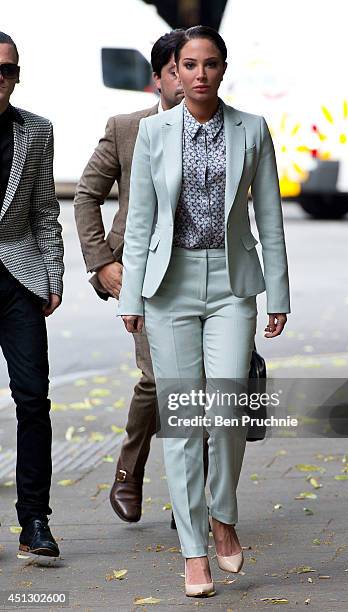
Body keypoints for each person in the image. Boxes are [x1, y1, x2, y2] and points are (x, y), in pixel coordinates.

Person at [119, 26, 290, 597]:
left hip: (233, 287)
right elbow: (140, 220)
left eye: (209, 64)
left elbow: (270, 216)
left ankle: (223, 515)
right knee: (186, 422)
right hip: (169, 285)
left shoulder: (252, 129)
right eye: (188, 65)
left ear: (223, 68)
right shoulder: (152, 133)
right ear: (175, 72)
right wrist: (131, 296)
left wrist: (279, 294)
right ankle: (194, 551)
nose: (199, 74)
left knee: (228, 416)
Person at [74, 31, 185, 524]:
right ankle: (129, 471)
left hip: (203, 271)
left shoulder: (227, 128)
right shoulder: (125, 128)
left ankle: (202, 493)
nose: (190, 80)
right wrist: (102, 261)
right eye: (178, 71)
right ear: (158, 79)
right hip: (141, 273)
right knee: (158, 378)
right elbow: (86, 195)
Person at [0, 32, 64, 556]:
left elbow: (46, 211)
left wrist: (53, 275)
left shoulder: (36, 132)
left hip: (18, 281)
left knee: (33, 401)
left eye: (7, 70)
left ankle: (35, 523)